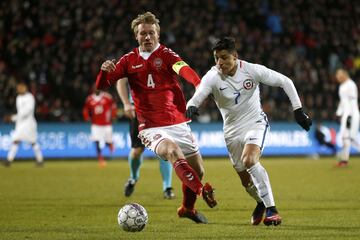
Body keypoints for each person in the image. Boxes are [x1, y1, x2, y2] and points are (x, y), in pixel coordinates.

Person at [96, 11, 216, 224]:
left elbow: (184, 69)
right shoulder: (128, 60)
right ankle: (199, 190)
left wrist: (198, 84)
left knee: (198, 170)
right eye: (143, 33)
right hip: (151, 126)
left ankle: (187, 209)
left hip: (178, 122)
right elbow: (102, 85)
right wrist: (104, 71)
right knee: (171, 151)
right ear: (136, 36)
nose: (147, 37)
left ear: (158, 34)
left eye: (151, 33)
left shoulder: (168, 55)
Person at [186, 37, 312, 226]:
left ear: (235, 56)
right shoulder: (212, 77)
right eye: (216, 58)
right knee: (246, 181)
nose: (220, 63)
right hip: (231, 132)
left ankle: (272, 210)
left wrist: (298, 110)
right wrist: (192, 106)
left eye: (224, 58)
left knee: (250, 160)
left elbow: (285, 81)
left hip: (255, 123)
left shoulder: (252, 71)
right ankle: (260, 202)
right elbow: (198, 94)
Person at [116, 79, 175, 199]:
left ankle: (167, 187)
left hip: (160, 109)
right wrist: (126, 103)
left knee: (164, 149)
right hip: (138, 109)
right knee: (137, 151)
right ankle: (133, 178)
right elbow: (121, 81)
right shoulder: (130, 60)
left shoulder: (161, 60)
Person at [3, 82, 44, 167]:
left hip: (29, 123)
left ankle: (40, 160)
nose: (19, 90)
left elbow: (27, 112)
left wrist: (12, 118)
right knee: (15, 140)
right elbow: (20, 112)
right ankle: (9, 160)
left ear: (25, 88)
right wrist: (14, 118)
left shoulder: (30, 98)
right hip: (20, 124)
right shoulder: (18, 98)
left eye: (20, 88)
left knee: (33, 142)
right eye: (18, 88)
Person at [82, 89, 117, 167]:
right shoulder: (89, 99)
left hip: (107, 124)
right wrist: (86, 117)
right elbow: (85, 109)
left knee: (108, 141)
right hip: (96, 125)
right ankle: (100, 159)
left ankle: (110, 144)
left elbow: (113, 106)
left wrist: (113, 115)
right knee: (97, 141)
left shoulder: (107, 97)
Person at [335, 68, 360, 167]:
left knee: (350, 138)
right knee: (347, 138)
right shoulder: (342, 86)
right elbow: (342, 102)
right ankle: (344, 160)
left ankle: (344, 160)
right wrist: (338, 113)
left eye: (338, 75)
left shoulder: (351, 85)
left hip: (352, 114)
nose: (337, 78)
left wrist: (349, 116)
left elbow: (352, 101)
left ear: (343, 75)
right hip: (346, 114)